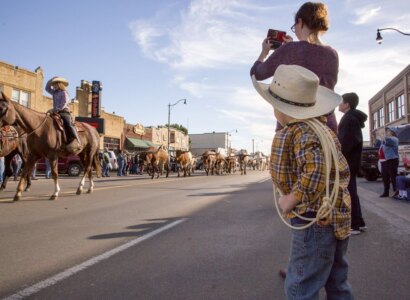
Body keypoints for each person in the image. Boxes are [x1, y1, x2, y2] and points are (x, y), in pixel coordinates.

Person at [252, 64, 353, 299]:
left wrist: (291, 198)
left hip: (314, 217)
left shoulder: (300, 131)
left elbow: (316, 169)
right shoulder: (321, 129)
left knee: (301, 285)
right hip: (334, 214)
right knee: (336, 281)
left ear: (279, 108)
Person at [250, 2, 339, 134]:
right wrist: (290, 48)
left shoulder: (290, 50)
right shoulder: (332, 54)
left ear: (300, 22)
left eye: (294, 26)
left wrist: (264, 52)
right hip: (326, 127)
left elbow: (257, 73)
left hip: (294, 128)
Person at [338, 92, 367, 235]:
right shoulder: (352, 118)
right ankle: (359, 222)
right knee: (352, 192)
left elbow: (346, 143)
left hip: (348, 162)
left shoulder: (349, 119)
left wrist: (337, 154)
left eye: (341, 101)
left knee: (349, 192)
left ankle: (354, 225)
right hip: (352, 161)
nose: (339, 104)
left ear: (347, 104)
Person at [45, 76, 81, 152]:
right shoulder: (54, 93)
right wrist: (51, 80)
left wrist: (53, 109)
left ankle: (76, 139)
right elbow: (47, 88)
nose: (53, 85)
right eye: (53, 84)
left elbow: (63, 104)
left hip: (64, 112)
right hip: (56, 112)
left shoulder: (64, 93)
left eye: (55, 84)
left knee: (68, 123)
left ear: (59, 84)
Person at [380, 128, 399, 197]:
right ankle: (386, 192)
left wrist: (382, 135)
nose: (386, 132)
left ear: (392, 132)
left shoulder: (394, 139)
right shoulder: (386, 139)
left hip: (391, 160)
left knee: (393, 176)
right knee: (385, 176)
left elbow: (387, 141)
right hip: (384, 161)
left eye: (388, 131)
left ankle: (396, 191)